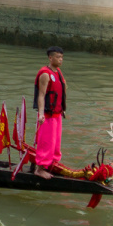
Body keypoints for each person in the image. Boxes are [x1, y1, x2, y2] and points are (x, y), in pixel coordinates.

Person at [33, 46, 67, 180]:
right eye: (58, 57)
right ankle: (40, 169)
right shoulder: (45, 74)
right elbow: (41, 95)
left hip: (57, 114)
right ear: (50, 58)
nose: (61, 60)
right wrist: (40, 114)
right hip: (47, 115)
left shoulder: (58, 72)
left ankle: (52, 164)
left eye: (62, 57)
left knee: (56, 144)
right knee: (46, 142)